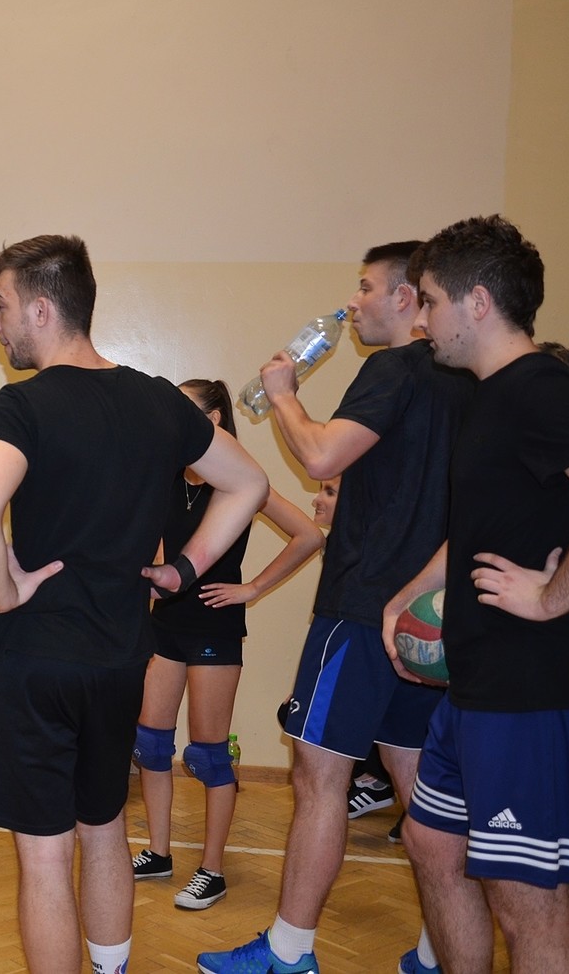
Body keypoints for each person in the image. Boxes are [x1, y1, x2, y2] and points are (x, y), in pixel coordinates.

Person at [0, 235, 268, 974]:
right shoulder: (158, 400)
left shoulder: (21, 405)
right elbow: (249, 483)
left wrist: (5, 593)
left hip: (36, 660)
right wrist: (184, 569)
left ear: (41, 308)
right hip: (122, 659)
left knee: (45, 858)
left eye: (0, 305)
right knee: (103, 830)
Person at [200, 242, 474, 974]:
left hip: (361, 608)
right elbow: (411, 483)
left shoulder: (394, 369)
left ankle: (288, 952)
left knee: (319, 776)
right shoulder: (464, 380)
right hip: (425, 617)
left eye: (366, 288)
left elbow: (320, 455)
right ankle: (442, 950)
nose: (354, 303)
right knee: (422, 791)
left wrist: (284, 393)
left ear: (407, 297)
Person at [384, 216, 569, 974]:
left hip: (527, 691)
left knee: (527, 903)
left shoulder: (540, 387)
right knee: (431, 842)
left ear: (478, 302)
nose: (422, 320)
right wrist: (405, 595)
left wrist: (554, 597)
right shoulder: (489, 396)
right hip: (474, 688)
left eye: (431, 301)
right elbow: (476, 527)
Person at [131, 379, 324, 910]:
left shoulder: (239, 479)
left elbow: (310, 535)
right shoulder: (168, 476)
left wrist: (253, 588)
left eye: (183, 409)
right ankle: (159, 852)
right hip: (166, 623)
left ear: (213, 420)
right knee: (150, 744)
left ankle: (211, 870)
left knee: (208, 754)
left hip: (214, 626)